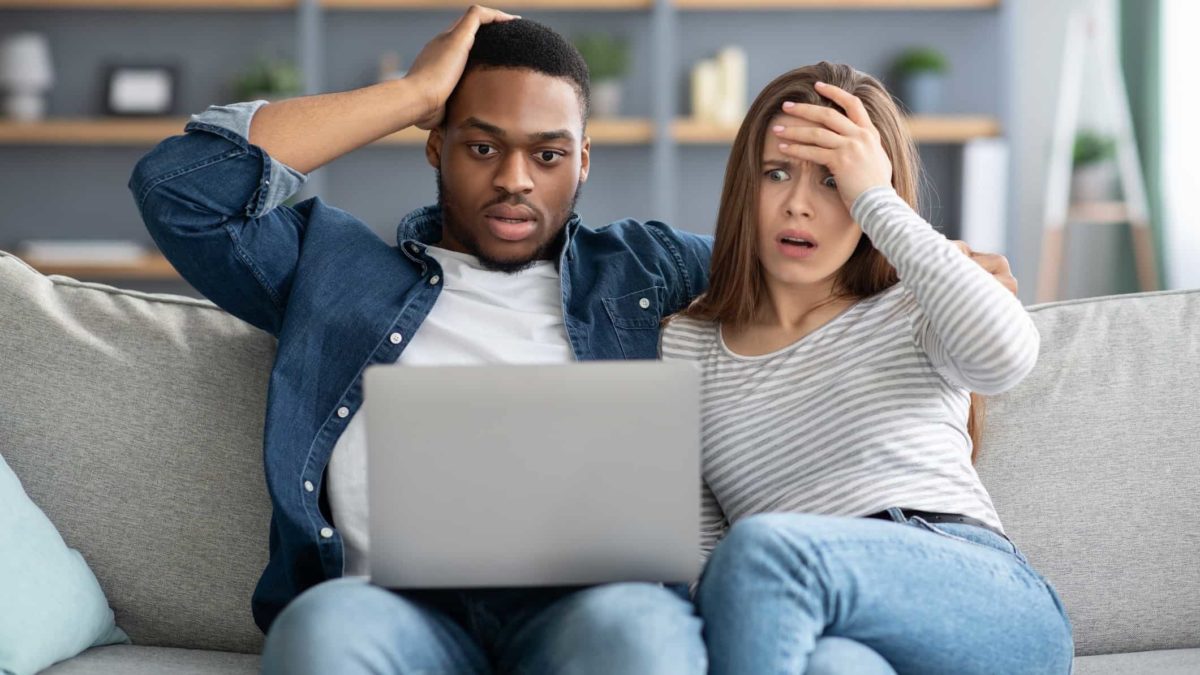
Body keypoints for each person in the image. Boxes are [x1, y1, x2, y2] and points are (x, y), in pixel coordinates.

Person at [128, 5, 1019, 672]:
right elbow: (181, 187)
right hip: (388, 606)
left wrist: (936, 270)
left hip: (594, 609)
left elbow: (804, 258)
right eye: (481, 147)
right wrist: (410, 91)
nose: (516, 179)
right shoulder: (329, 266)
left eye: (549, 154)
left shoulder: (648, 271)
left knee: (638, 634)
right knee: (319, 635)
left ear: (584, 162)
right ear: (433, 146)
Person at [659, 62, 1074, 675]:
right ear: (745, 187)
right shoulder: (686, 343)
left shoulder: (914, 302)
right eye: (777, 174)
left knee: (765, 549)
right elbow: (700, 556)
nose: (798, 205)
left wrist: (877, 197)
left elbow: (1008, 357)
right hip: (813, 613)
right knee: (830, 664)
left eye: (833, 183)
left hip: (980, 594)